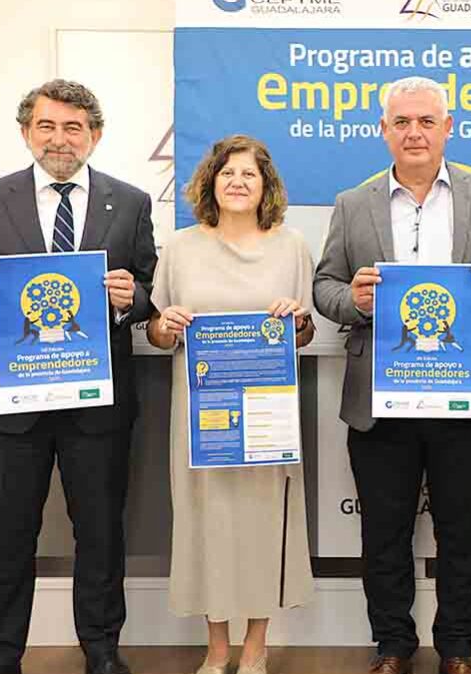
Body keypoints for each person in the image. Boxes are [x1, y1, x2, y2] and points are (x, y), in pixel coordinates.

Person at [0, 79, 157, 674]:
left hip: (96, 402)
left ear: (95, 136)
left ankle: (102, 651)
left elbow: (148, 291)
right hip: (10, 405)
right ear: (27, 132)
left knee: (102, 535)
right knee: (8, 538)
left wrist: (131, 298)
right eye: (48, 127)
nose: (60, 139)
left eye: (74, 128)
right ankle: (0, 658)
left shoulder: (130, 202)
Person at [313, 75, 471, 674]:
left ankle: (458, 648)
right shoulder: (352, 203)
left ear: (447, 129)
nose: (414, 132)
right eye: (402, 122)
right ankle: (392, 644)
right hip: (382, 399)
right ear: (383, 130)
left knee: (463, 531)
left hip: (466, 395)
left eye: (426, 121)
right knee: (383, 533)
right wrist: (354, 301)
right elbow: (324, 287)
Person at [147, 135, 316, 674]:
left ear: (265, 185)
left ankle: (255, 646)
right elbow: (154, 331)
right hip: (201, 415)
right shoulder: (179, 247)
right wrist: (164, 326)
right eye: (227, 173)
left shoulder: (292, 247)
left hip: (268, 415)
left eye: (249, 173)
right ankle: (217, 646)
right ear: (210, 183)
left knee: (266, 524)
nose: (238, 181)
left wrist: (299, 320)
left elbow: (306, 334)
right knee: (207, 523)